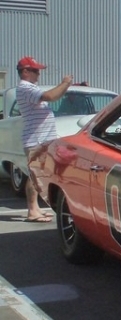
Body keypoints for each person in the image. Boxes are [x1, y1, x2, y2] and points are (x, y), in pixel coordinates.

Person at [15, 56, 74, 222]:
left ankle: (35, 209)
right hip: (36, 140)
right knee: (35, 175)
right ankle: (32, 211)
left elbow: (51, 96)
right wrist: (65, 83)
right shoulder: (26, 88)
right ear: (25, 71)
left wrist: (66, 87)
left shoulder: (29, 88)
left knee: (38, 175)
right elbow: (50, 96)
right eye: (35, 70)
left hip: (41, 140)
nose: (38, 74)